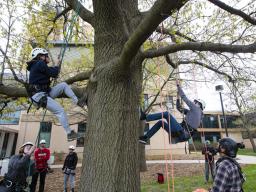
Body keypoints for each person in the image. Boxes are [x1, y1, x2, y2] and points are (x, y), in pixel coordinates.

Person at [26, 48, 86, 141]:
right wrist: (56, 67)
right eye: (46, 56)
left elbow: (52, 71)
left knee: (63, 85)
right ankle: (69, 133)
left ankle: (77, 101)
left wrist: (57, 64)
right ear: (41, 56)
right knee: (60, 111)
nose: (48, 57)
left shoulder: (37, 65)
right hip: (40, 96)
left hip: (45, 93)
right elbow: (53, 73)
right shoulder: (39, 63)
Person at [139, 82, 205, 144]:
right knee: (160, 123)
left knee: (166, 114)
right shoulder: (195, 114)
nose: (193, 103)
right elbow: (179, 108)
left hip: (182, 132)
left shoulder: (197, 109)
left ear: (199, 104)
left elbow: (185, 98)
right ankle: (145, 138)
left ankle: (144, 117)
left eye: (195, 102)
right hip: (180, 135)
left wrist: (178, 86)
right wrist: (178, 98)